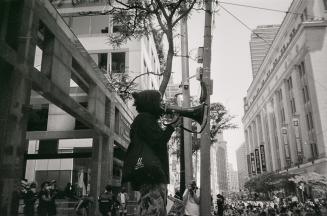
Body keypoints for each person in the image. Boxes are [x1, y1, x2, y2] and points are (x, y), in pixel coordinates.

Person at [122, 90, 179, 216]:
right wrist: (172, 127)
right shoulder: (144, 119)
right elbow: (158, 142)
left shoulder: (145, 119)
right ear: (151, 103)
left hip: (151, 176)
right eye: (159, 101)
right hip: (152, 176)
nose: (162, 104)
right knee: (154, 211)